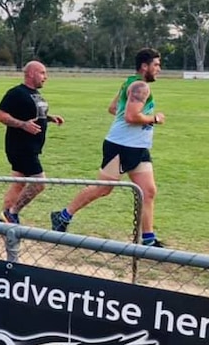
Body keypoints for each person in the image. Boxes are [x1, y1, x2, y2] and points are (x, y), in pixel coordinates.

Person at [50, 48, 165, 247]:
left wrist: (136, 118)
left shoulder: (131, 83)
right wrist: (154, 118)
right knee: (103, 189)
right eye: (156, 65)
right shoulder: (140, 87)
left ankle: (148, 240)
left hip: (138, 148)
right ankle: (63, 216)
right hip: (120, 147)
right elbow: (130, 117)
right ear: (144, 66)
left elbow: (113, 109)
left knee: (148, 191)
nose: (159, 69)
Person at [0, 60, 64, 224]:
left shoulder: (35, 94)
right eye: (42, 73)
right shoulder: (16, 93)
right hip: (20, 147)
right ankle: (12, 213)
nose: (45, 77)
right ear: (31, 73)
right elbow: (0, 115)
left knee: (18, 184)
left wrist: (50, 118)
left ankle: (1, 219)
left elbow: (33, 114)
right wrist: (23, 125)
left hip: (32, 147)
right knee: (40, 183)